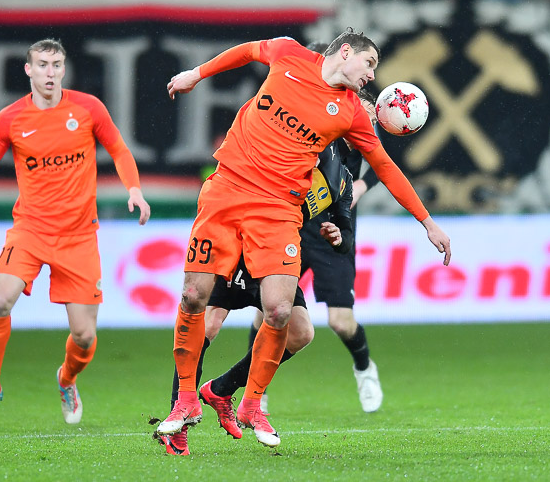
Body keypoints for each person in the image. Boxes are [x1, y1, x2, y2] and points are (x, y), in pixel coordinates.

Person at [157, 27, 451, 452]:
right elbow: (247, 51)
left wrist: (427, 222)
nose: (372, 75)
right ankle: (184, 401)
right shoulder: (288, 54)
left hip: (277, 211)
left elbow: (385, 167)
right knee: (193, 297)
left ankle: (251, 404)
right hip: (226, 191)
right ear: (346, 52)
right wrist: (196, 74)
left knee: (280, 313)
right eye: (370, 63)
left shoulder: (351, 113)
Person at [0, 39, 151, 426]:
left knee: (84, 336)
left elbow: (119, 149)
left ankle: (67, 379)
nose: (50, 72)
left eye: (57, 65)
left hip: (79, 236)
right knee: (1, 301)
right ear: (28, 70)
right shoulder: (10, 119)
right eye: (43, 65)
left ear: (64, 69)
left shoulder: (88, 108)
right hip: (30, 231)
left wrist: (134, 189)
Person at [159, 145, 355, 455]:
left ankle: (221, 389)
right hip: (241, 246)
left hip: (275, 256)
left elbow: (346, 232)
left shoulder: (342, 180)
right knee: (208, 324)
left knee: (301, 333)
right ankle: (179, 418)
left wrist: (340, 237)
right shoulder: (287, 146)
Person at [248, 48, 385, 414]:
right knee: (267, 312)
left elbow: (381, 163)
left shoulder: (358, 115)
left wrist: (359, 187)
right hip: (291, 222)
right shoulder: (313, 112)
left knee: (340, 321)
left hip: (335, 226)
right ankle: (256, 389)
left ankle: (364, 368)